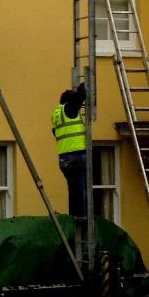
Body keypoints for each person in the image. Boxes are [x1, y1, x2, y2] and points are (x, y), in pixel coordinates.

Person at [52, 82, 88, 224]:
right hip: (76, 156)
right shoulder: (69, 109)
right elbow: (80, 97)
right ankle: (83, 218)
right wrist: (85, 85)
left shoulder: (57, 113)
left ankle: (74, 217)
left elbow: (55, 132)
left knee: (73, 190)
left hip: (64, 158)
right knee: (81, 188)